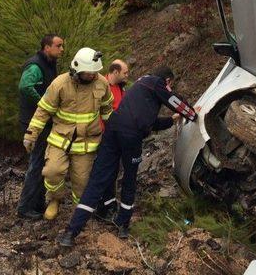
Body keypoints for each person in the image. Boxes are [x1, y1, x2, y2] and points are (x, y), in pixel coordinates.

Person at [57, 65, 197, 246]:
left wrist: (171, 120)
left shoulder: (141, 87)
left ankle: (71, 232)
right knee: (130, 178)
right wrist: (193, 114)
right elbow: (176, 102)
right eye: (169, 84)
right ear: (168, 81)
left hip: (113, 129)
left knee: (97, 179)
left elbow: (149, 122)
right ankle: (123, 224)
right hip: (131, 137)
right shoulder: (156, 82)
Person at [23, 47, 113, 221]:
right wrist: (30, 135)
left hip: (87, 142)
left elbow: (107, 109)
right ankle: (55, 200)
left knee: (82, 184)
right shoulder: (60, 84)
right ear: (77, 70)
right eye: (88, 73)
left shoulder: (102, 83)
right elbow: (43, 111)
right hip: (60, 139)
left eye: (95, 73)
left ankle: (78, 214)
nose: (93, 76)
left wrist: (114, 131)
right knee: (52, 172)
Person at [16, 34, 64, 220]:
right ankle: (25, 207)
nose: (62, 49)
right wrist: (45, 103)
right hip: (33, 122)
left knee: (43, 162)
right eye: (58, 46)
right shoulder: (36, 65)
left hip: (42, 121)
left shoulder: (49, 63)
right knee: (36, 164)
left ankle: (37, 203)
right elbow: (25, 86)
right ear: (47, 47)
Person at [96, 59, 130, 219]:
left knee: (114, 171)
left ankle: (109, 204)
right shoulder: (102, 86)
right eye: (125, 72)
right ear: (115, 72)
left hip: (116, 136)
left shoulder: (120, 88)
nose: (127, 75)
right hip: (103, 136)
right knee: (105, 172)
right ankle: (102, 207)